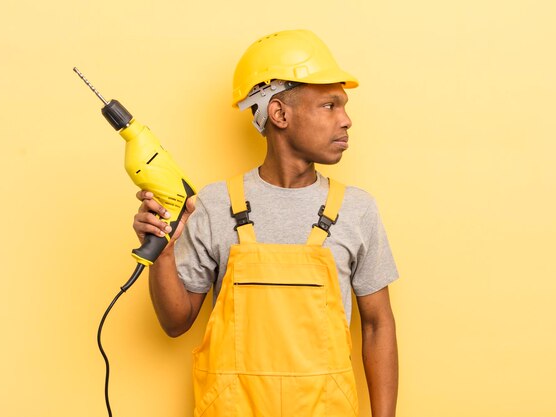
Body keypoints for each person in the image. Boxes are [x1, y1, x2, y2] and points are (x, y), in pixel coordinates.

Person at [133, 29, 399, 417]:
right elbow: (175, 322)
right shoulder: (213, 204)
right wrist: (164, 252)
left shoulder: (357, 209)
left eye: (344, 106)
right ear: (279, 114)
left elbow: (378, 326)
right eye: (329, 106)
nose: (346, 121)